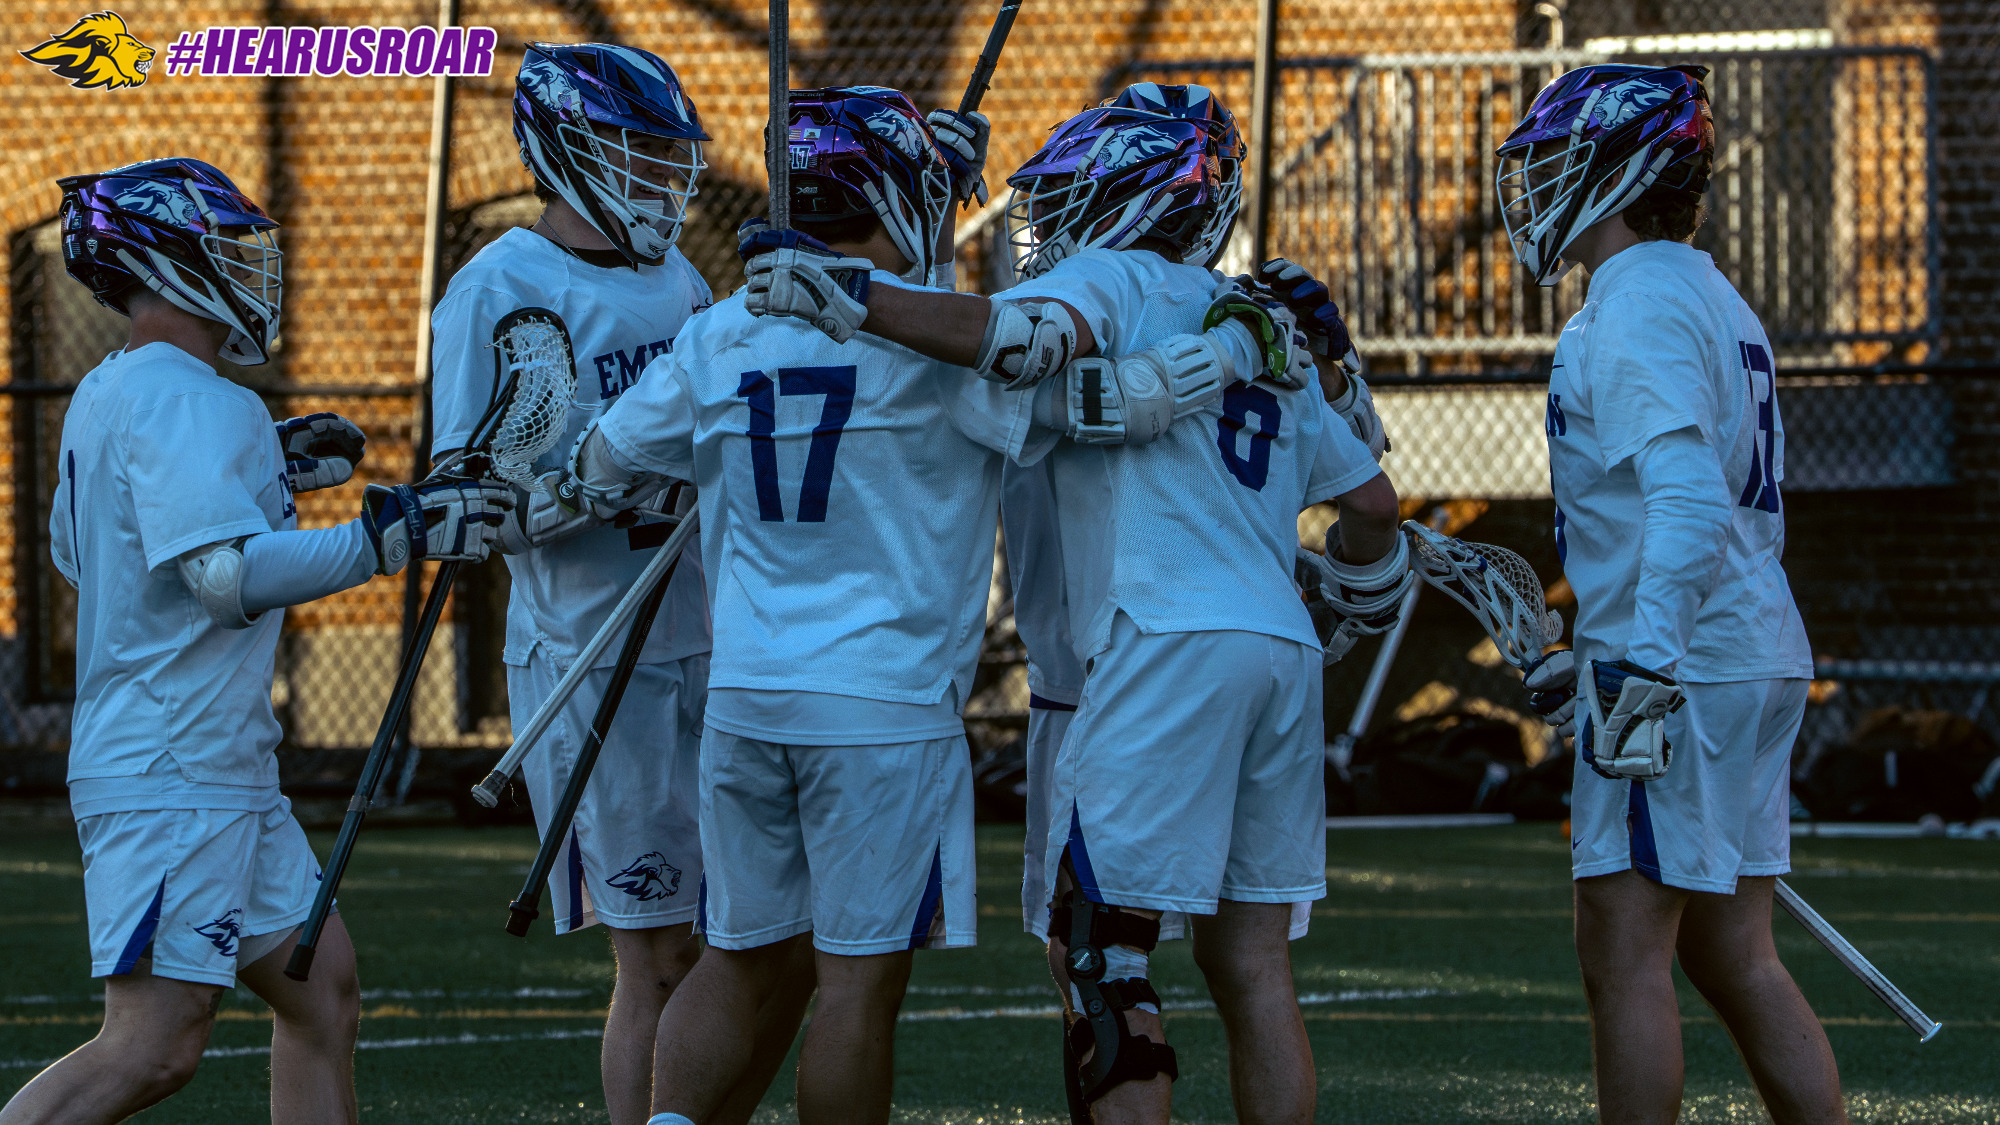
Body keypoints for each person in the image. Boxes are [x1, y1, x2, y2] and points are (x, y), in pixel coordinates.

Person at [745, 87, 1408, 1125]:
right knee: (1252, 965)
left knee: (1102, 957)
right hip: (1274, 652)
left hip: (1147, 647)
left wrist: (852, 293)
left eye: (1061, 198)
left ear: (1129, 196)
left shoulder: (1109, 278)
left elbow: (1014, 343)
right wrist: (1350, 590)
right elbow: (1370, 506)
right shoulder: (1251, 320)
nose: (1043, 224)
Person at [0, 158, 511, 1125]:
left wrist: (263, 462)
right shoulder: (190, 396)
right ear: (165, 260)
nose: (250, 268)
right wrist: (385, 536)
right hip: (174, 768)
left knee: (322, 991)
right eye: (226, 248)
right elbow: (224, 580)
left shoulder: (115, 387)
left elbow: (88, 552)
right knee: (154, 1044)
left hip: (215, 764)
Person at [427, 42, 805, 1125]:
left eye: (665, 152)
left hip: (710, 631)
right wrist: (578, 489)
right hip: (591, 649)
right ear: (565, 150)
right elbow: (467, 502)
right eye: (633, 148)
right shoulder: (498, 287)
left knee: (750, 935)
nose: (659, 173)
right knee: (659, 952)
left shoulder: (680, 279)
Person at [1497, 64, 1846, 1125]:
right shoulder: (1704, 290)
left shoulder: (1638, 300)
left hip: (1685, 662)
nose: (1537, 186)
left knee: (1621, 949)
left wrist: (1645, 664)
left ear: (1617, 170)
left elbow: (1687, 494)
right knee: (1732, 951)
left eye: (1557, 162)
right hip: (1744, 644)